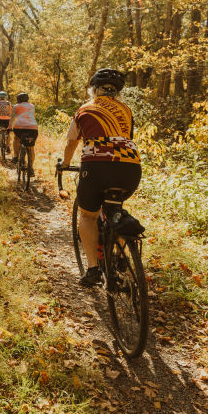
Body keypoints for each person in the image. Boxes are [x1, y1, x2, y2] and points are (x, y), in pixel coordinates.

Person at [58, 69, 141, 287]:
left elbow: (71, 143)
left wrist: (65, 164)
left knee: (88, 216)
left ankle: (93, 269)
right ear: (117, 92)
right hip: (130, 167)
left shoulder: (85, 109)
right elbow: (125, 138)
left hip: (97, 167)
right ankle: (122, 251)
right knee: (116, 209)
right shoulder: (126, 110)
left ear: (94, 89)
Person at [9, 92, 38, 173]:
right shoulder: (32, 106)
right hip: (33, 128)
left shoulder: (16, 106)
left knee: (16, 138)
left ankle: (15, 156)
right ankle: (31, 168)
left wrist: (9, 126)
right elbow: (33, 116)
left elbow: (12, 117)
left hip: (19, 128)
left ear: (18, 99)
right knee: (31, 147)